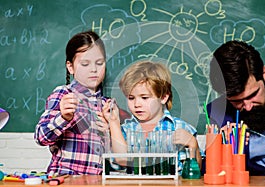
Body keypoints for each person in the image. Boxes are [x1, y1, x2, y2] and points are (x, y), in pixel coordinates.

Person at [34, 31, 130, 175]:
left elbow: (119, 160)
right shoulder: (64, 95)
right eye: (85, 64)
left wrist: (110, 131)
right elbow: (41, 138)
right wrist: (63, 117)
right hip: (66, 178)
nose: (93, 69)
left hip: (96, 181)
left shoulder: (106, 105)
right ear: (70, 67)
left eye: (99, 63)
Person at [208, 40, 265, 175]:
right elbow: (209, 172)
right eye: (236, 101)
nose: (248, 106)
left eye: (253, 95)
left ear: (263, 73)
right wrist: (221, 149)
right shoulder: (216, 111)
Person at [101, 61, 202, 174]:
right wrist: (114, 123)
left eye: (144, 98)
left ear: (163, 97)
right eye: (131, 98)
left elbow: (196, 173)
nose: (137, 104)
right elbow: (122, 159)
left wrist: (193, 144)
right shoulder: (125, 130)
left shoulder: (180, 127)